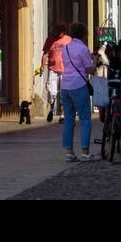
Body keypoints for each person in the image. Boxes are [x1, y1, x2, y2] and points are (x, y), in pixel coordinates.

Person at [59, 21, 96, 161]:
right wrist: (95, 60)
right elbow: (89, 69)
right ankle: (85, 152)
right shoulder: (83, 48)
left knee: (69, 120)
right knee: (85, 119)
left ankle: (69, 152)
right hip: (79, 85)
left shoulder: (65, 48)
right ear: (84, 34)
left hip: (65, 86)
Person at [40, 22, 70, 122]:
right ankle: (52, 109)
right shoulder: (50, 39)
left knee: (63, 92)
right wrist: (42, 67)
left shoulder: (68, 40)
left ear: (64, 32)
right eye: (56, 31)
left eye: (60, 32)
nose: (58, 34)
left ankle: (62, 115)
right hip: (53, 69)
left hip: (65, 70)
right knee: (51, 91)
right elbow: (45, 54)